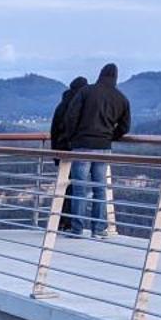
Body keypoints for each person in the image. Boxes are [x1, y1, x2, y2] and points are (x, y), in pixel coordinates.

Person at [52, 63, 131, 237]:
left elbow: (71, 116)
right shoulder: (121, 98)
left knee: (79, 188)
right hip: (103, 147)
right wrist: (110, 136)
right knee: (100, 189)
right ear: (116, 77)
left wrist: (73, 138)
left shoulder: (86, 92)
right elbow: (125, 127)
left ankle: (77, 228)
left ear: (100, 74)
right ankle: (98, 228)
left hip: (81, 145)